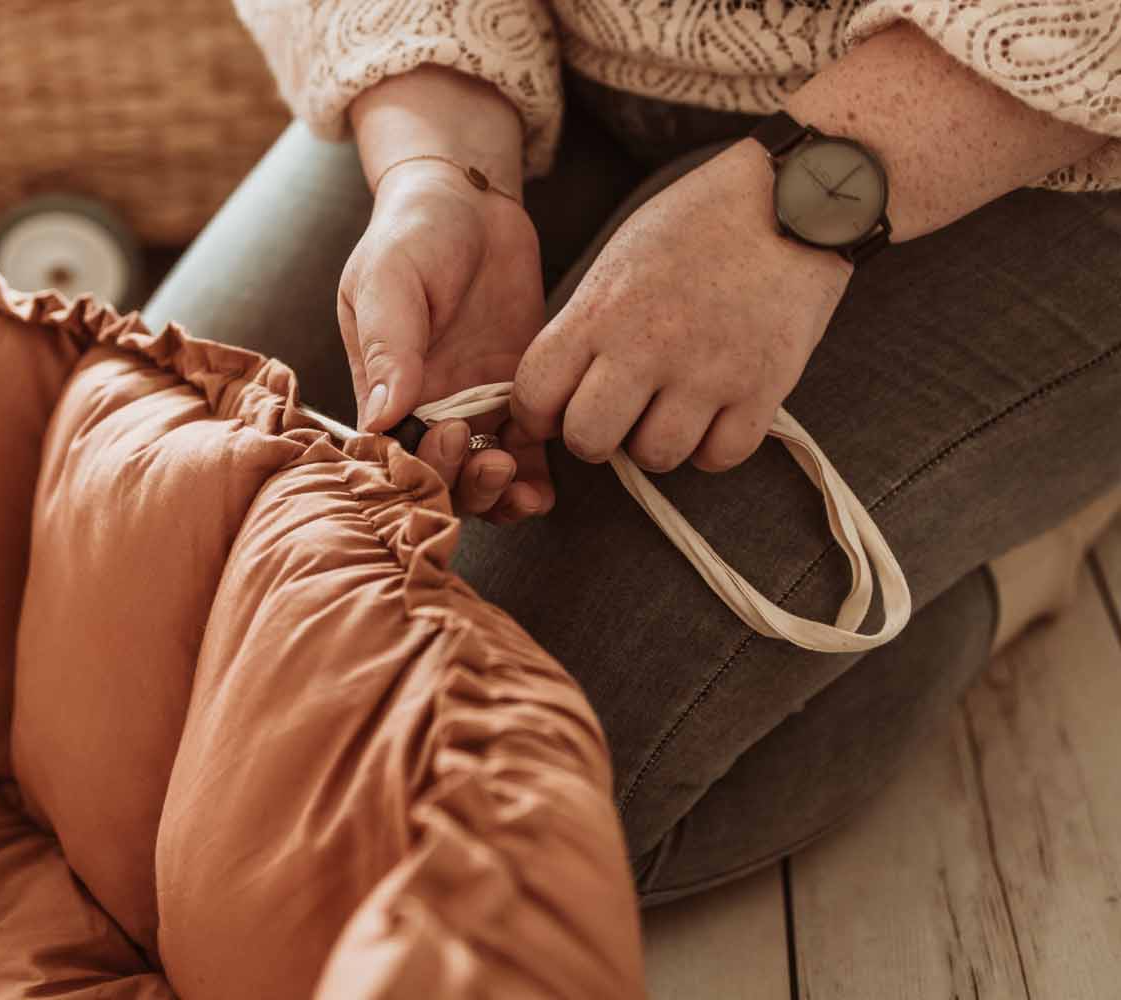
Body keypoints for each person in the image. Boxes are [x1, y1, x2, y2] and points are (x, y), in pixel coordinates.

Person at [145, 0, 1121, 912]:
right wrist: (439, 158)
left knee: (452, 807)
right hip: (554, 54)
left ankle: (1005, 545)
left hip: (1042, 119)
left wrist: (795, 205)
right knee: (125, 547)